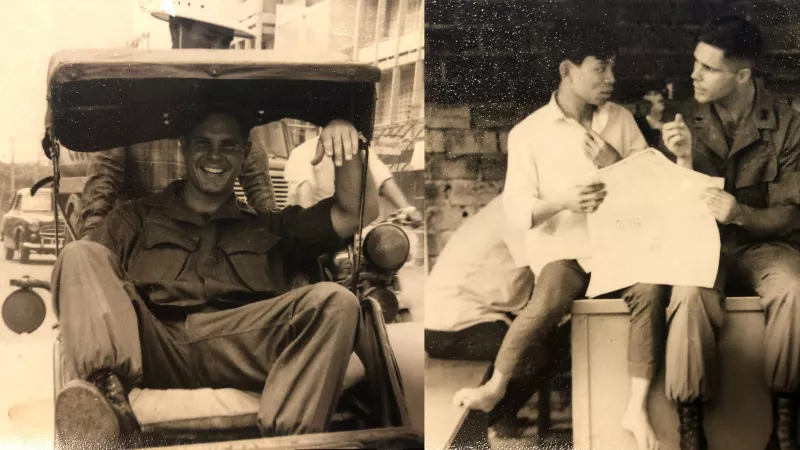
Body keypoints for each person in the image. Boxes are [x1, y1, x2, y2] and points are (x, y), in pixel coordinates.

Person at [52, 109, 378, 449]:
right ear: (184, 148)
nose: (215, 156)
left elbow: (355, 213)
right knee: (79, 255)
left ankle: (288, 441)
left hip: (242, 343)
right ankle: (109, 407)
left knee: (338, 302)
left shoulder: (269, 226)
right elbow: (82, 281)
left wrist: (346, 141)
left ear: (244, 153)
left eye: (228, 146)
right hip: (153, 345)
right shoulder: (135, 218)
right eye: (203, 143)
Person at [453, 19, 674, 450]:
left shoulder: (622, 121)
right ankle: (496, 387)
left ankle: (636, 405)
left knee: (650, 289)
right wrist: (564, 201)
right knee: (549, 295)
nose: (610, 79)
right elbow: (517, 211)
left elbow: (653, 190)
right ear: (567, 70)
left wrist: (613, 162)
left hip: (619, 250)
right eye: (599, 69)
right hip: (566, 250)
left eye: (612, 68)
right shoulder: (529, 134)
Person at [79, 0, 354, 237]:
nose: (218, 50)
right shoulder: (133, 101)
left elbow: (261, 195)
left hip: (208, 248)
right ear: (176, 30)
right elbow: (99, 194)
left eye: (225, 42)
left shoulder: (235, 109)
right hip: (141, 247)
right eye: (210, 38)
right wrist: (96, 252)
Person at [662, 16, 800, 450]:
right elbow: (670, 215)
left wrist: (739, 212)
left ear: (742, 75)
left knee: (795, 288)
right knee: (687, 294)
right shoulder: (683, 118)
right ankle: (691, 427)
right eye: (695, 63)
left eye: (708, 68)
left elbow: (791, 217)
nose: (694, 75)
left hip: (766, 245)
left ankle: (784, 423)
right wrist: (682, 163)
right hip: (705, 247)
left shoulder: (787, 124)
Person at [425, 195, 570, 437]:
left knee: (550, 344)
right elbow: (547, 270)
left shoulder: (519, 207)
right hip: (451, 324)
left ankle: (497, 418)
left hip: (469, 318)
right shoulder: (514, 210)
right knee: (535, 352)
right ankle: (476, 426)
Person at [285, 135, 423, 222]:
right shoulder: (303, 152)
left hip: (350, 224)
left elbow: (382, 178)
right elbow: (304, 189)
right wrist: (311, 226)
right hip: (315, 222)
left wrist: (407, 209)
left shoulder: (361, 151)